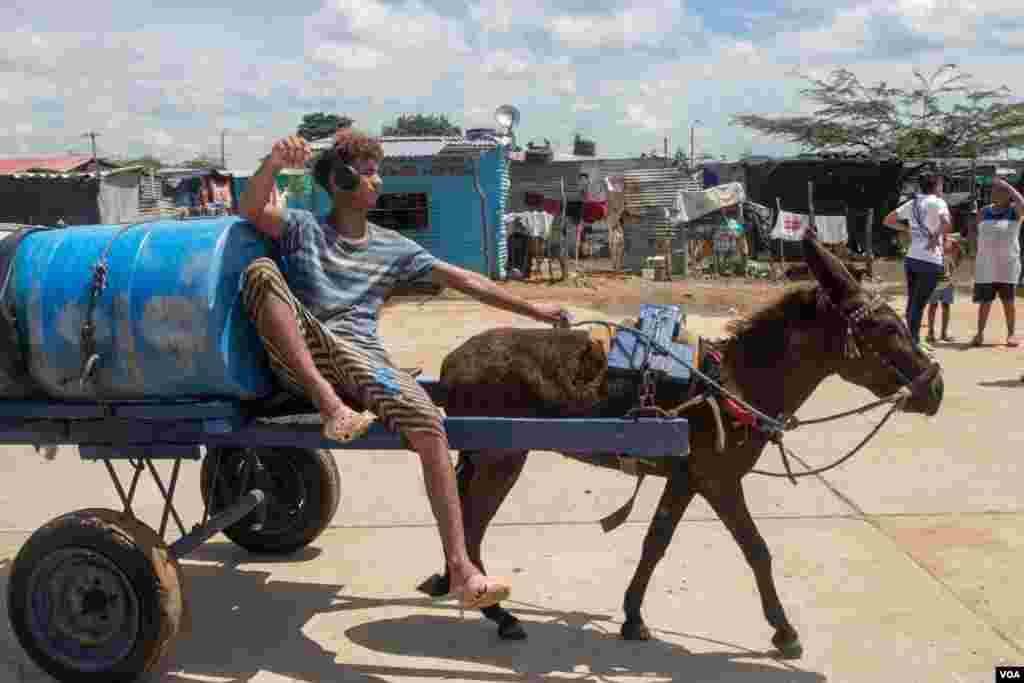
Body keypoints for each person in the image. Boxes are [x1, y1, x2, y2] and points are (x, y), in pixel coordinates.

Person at [238, 130, 572, 610]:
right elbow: (250, 209)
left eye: (378, 172)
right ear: (340, 181)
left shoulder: (393, 247)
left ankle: (461, 568)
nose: (377, 181)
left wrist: (534, 311)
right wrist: (272, 164)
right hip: (307, 358)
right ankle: (330, 406)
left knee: (430, 424)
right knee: (260, 273)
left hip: (364, 362)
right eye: (368, 172)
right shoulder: (302, 228)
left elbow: (464, 279)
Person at [883, 173, 952, 347]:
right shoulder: (938, 202)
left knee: (913, 301)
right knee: (919, 303)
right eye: (941, 185)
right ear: (936, 186)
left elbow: (888, 221)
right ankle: (913, 342)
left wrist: (908, 230)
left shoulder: (912, 203)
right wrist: (935, 236)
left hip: (912, 258)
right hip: (931, 259)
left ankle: (911, 338)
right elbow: (946, 223)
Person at [969, 176, 1024, 347]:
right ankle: (979, 334)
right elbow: (974, 232)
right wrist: (973, 251)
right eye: (994, 190)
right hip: (986, 265)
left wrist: (1007, 186)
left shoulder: (1015, 211)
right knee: (985, 303)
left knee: (1009, 302)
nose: (994, 193)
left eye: (999, 191)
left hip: (1008, 265)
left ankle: (1011, 334)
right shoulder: (984, 211)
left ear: (1008, 194)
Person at [925, 234, 962, 344]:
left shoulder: (952, 242)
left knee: (946, 306)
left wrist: (954, 264)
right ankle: (931, 332)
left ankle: (943, 333)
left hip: (948, 282)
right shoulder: (932, 240)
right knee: (933, 306)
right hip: (933, 282)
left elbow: (960, 254)